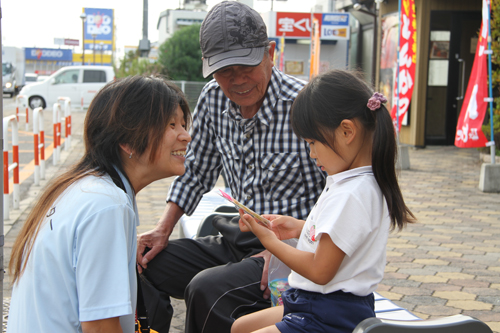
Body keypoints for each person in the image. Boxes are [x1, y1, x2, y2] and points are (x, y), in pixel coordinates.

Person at [136, 1, 326, 332]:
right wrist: (162, 229)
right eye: (225, 71)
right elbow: (196, 172)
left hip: (297, 246)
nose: (236, 81)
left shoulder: (306, 106)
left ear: (270, 53)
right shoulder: (212, 99)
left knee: (207, 288)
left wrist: (283, 253)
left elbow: (339, 195)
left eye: (245, 66)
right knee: (141, 265)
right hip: (240, 235)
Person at [231, 69, 416, 333]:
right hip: (318, 303)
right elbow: (344, 235)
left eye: (313, 142)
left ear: (346, 131)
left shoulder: (353, 192)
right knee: (240, 327)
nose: (311, 153)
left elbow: (320, 271)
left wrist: (270, 242)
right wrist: (298, 227)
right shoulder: (354, 181)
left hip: (332, 313)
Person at [7, 75, 192, 333]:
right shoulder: (107, 206)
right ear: (127, 140)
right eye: (172, 125)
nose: (186, 136)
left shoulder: (83, 187)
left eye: (183, 124)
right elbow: (100, 328)